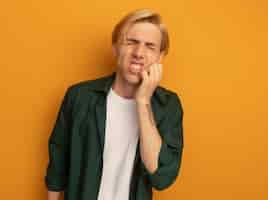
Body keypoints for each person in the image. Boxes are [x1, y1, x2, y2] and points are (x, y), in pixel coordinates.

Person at [45, 9, 184, 200]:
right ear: (115, 47)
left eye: (150, 46)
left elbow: (161, 176)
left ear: (160, 57)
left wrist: (143, 101)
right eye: (131, 42)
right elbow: (58, 163)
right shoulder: (79, 97)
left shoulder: (168, 106)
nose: (139, 53)